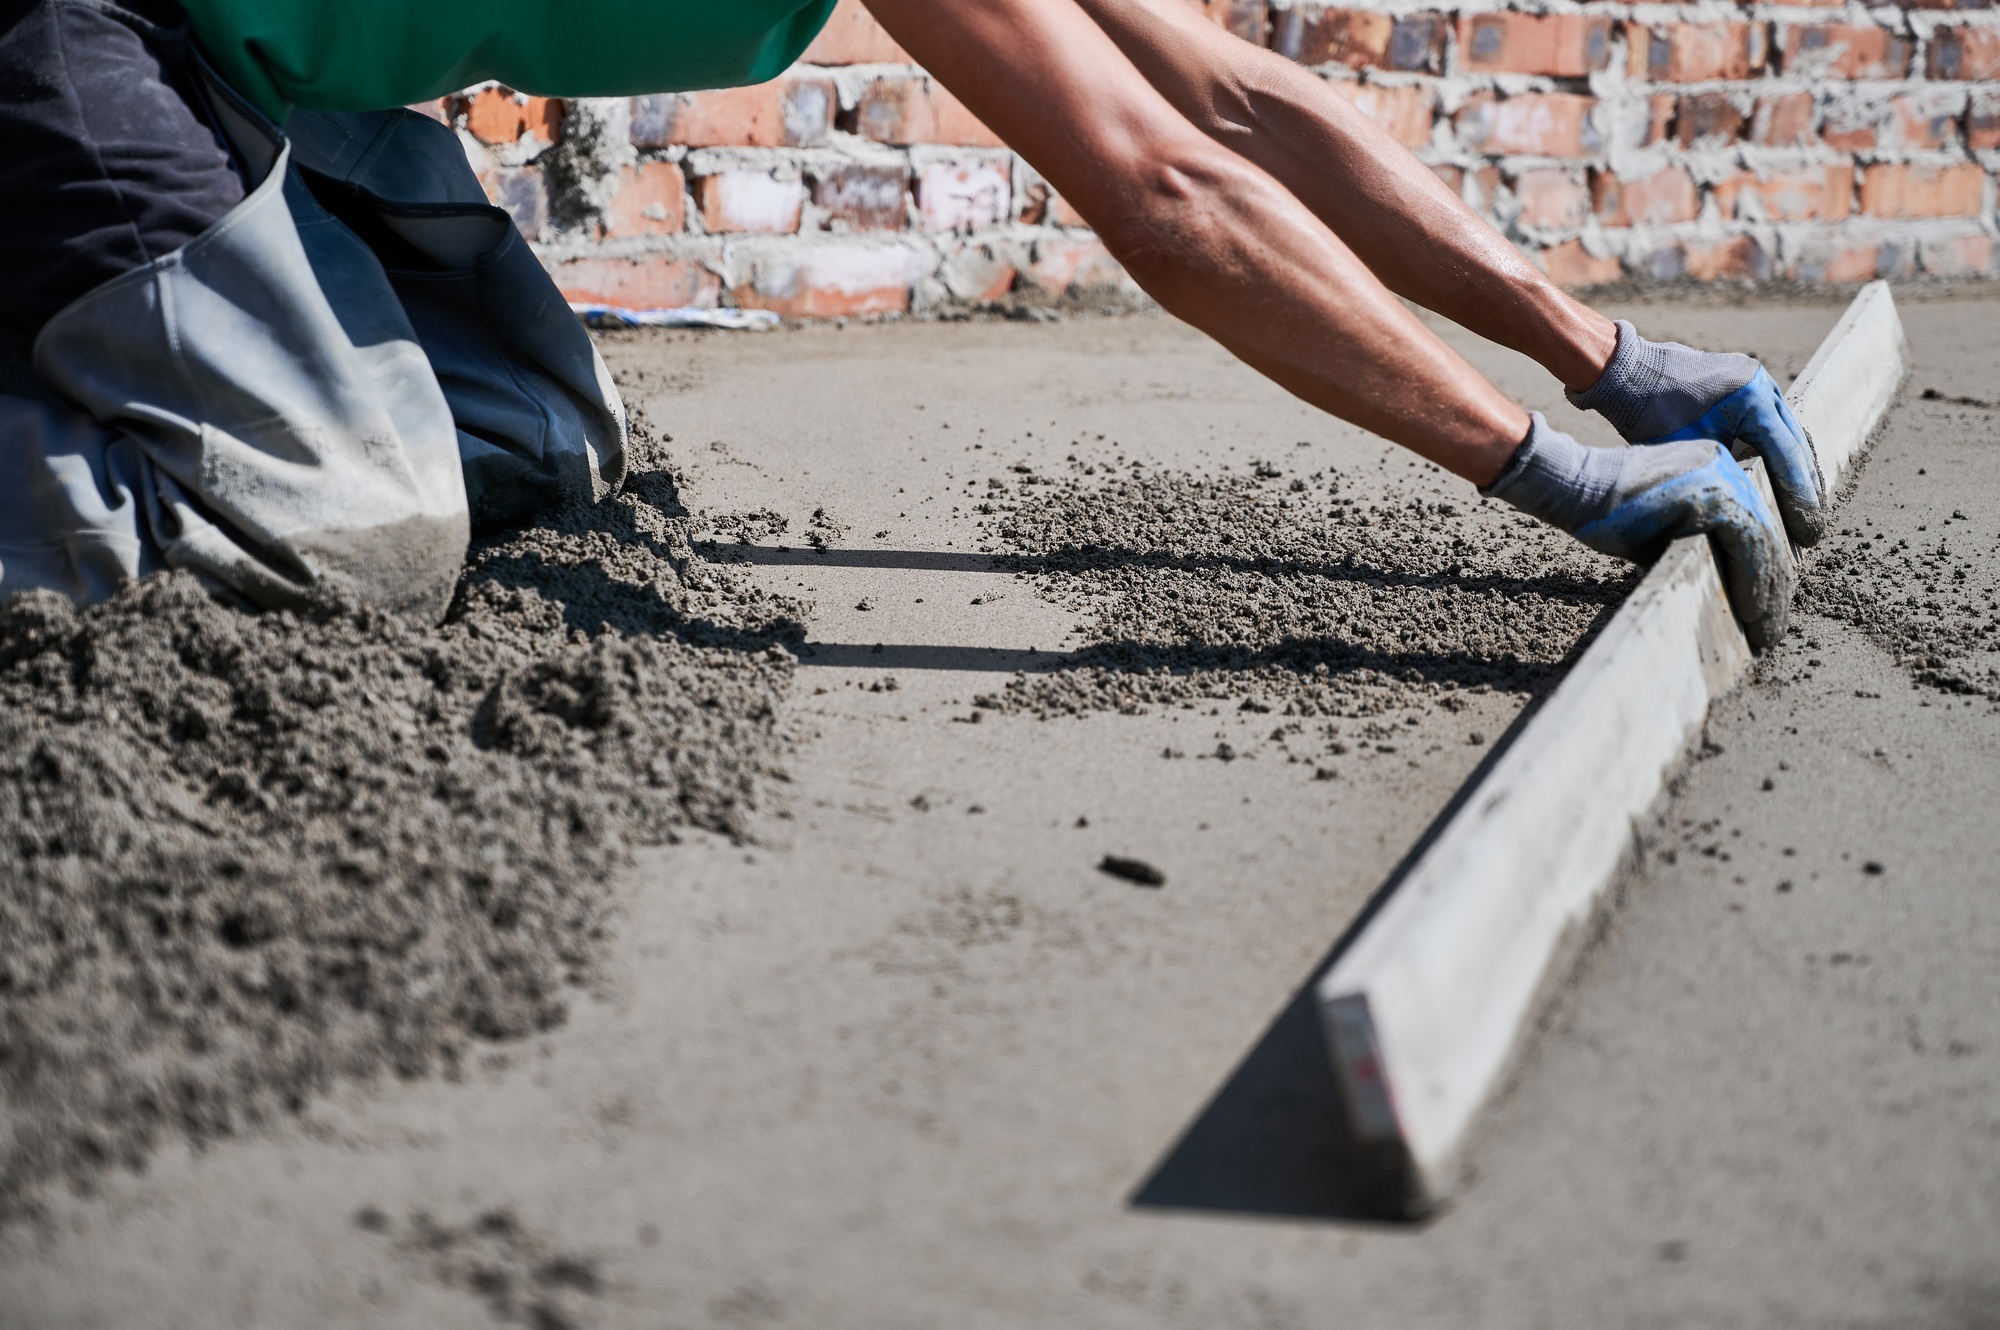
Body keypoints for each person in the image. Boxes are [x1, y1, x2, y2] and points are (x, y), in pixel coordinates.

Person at [0, 0, 1816, 645]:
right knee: (356, 523)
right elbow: (1164, 195)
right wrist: (1545, 471)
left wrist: (1608, 359)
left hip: (255, 78)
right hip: (94, 38)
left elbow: (1231, 102)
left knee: (536, 445)